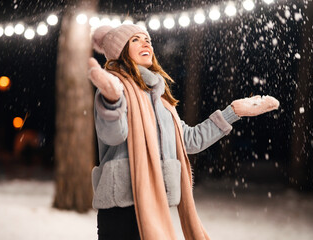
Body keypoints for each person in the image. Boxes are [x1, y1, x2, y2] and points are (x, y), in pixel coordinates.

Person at [88, 24, 279, 240]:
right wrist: (112, 102)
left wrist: (233, 112)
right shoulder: (114, 90)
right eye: (135, 40)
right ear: (120, 51)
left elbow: (188, 139)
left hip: (156, 200)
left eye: (147, 39)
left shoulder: (160, 100)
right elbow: (113, 135)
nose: (146, 43)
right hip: (121, 205)